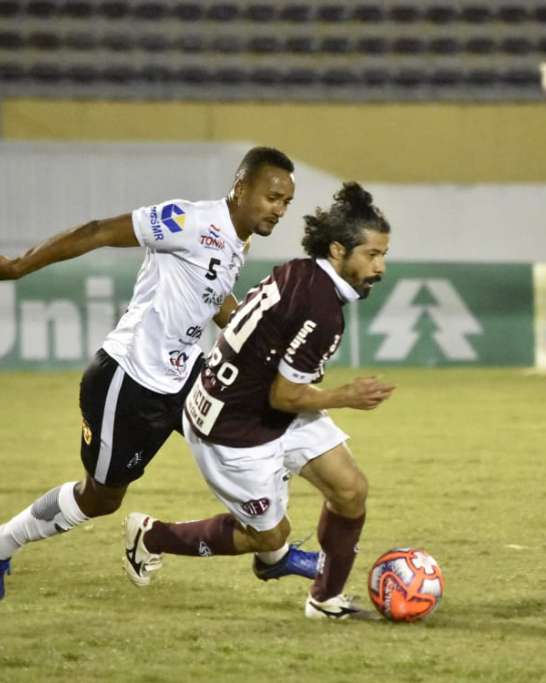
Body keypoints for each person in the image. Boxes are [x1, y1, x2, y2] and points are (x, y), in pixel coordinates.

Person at [0, 147, 319, 600]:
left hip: (186, 373)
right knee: (100, 499)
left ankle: (274, 552)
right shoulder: (187, 220)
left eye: (287, 202)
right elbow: (98, 231)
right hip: (129, 379)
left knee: (261, 429)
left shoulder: (237, 240)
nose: (280, 209)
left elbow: (212, 297)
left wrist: (257, 342)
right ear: (241, 187)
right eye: (273, 197)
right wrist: (18, 266)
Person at [121, 181, 395, 619]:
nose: (380, 267)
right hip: (232, 430)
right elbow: (286, 394)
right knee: (268, 539)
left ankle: (324, 601)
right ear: (340, 251)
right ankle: (153, 536)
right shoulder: (321, 310)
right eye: (373, 255)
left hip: (264, 409)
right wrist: (346, 396)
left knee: (350, 490)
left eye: (383, 255)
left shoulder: (303, 272)